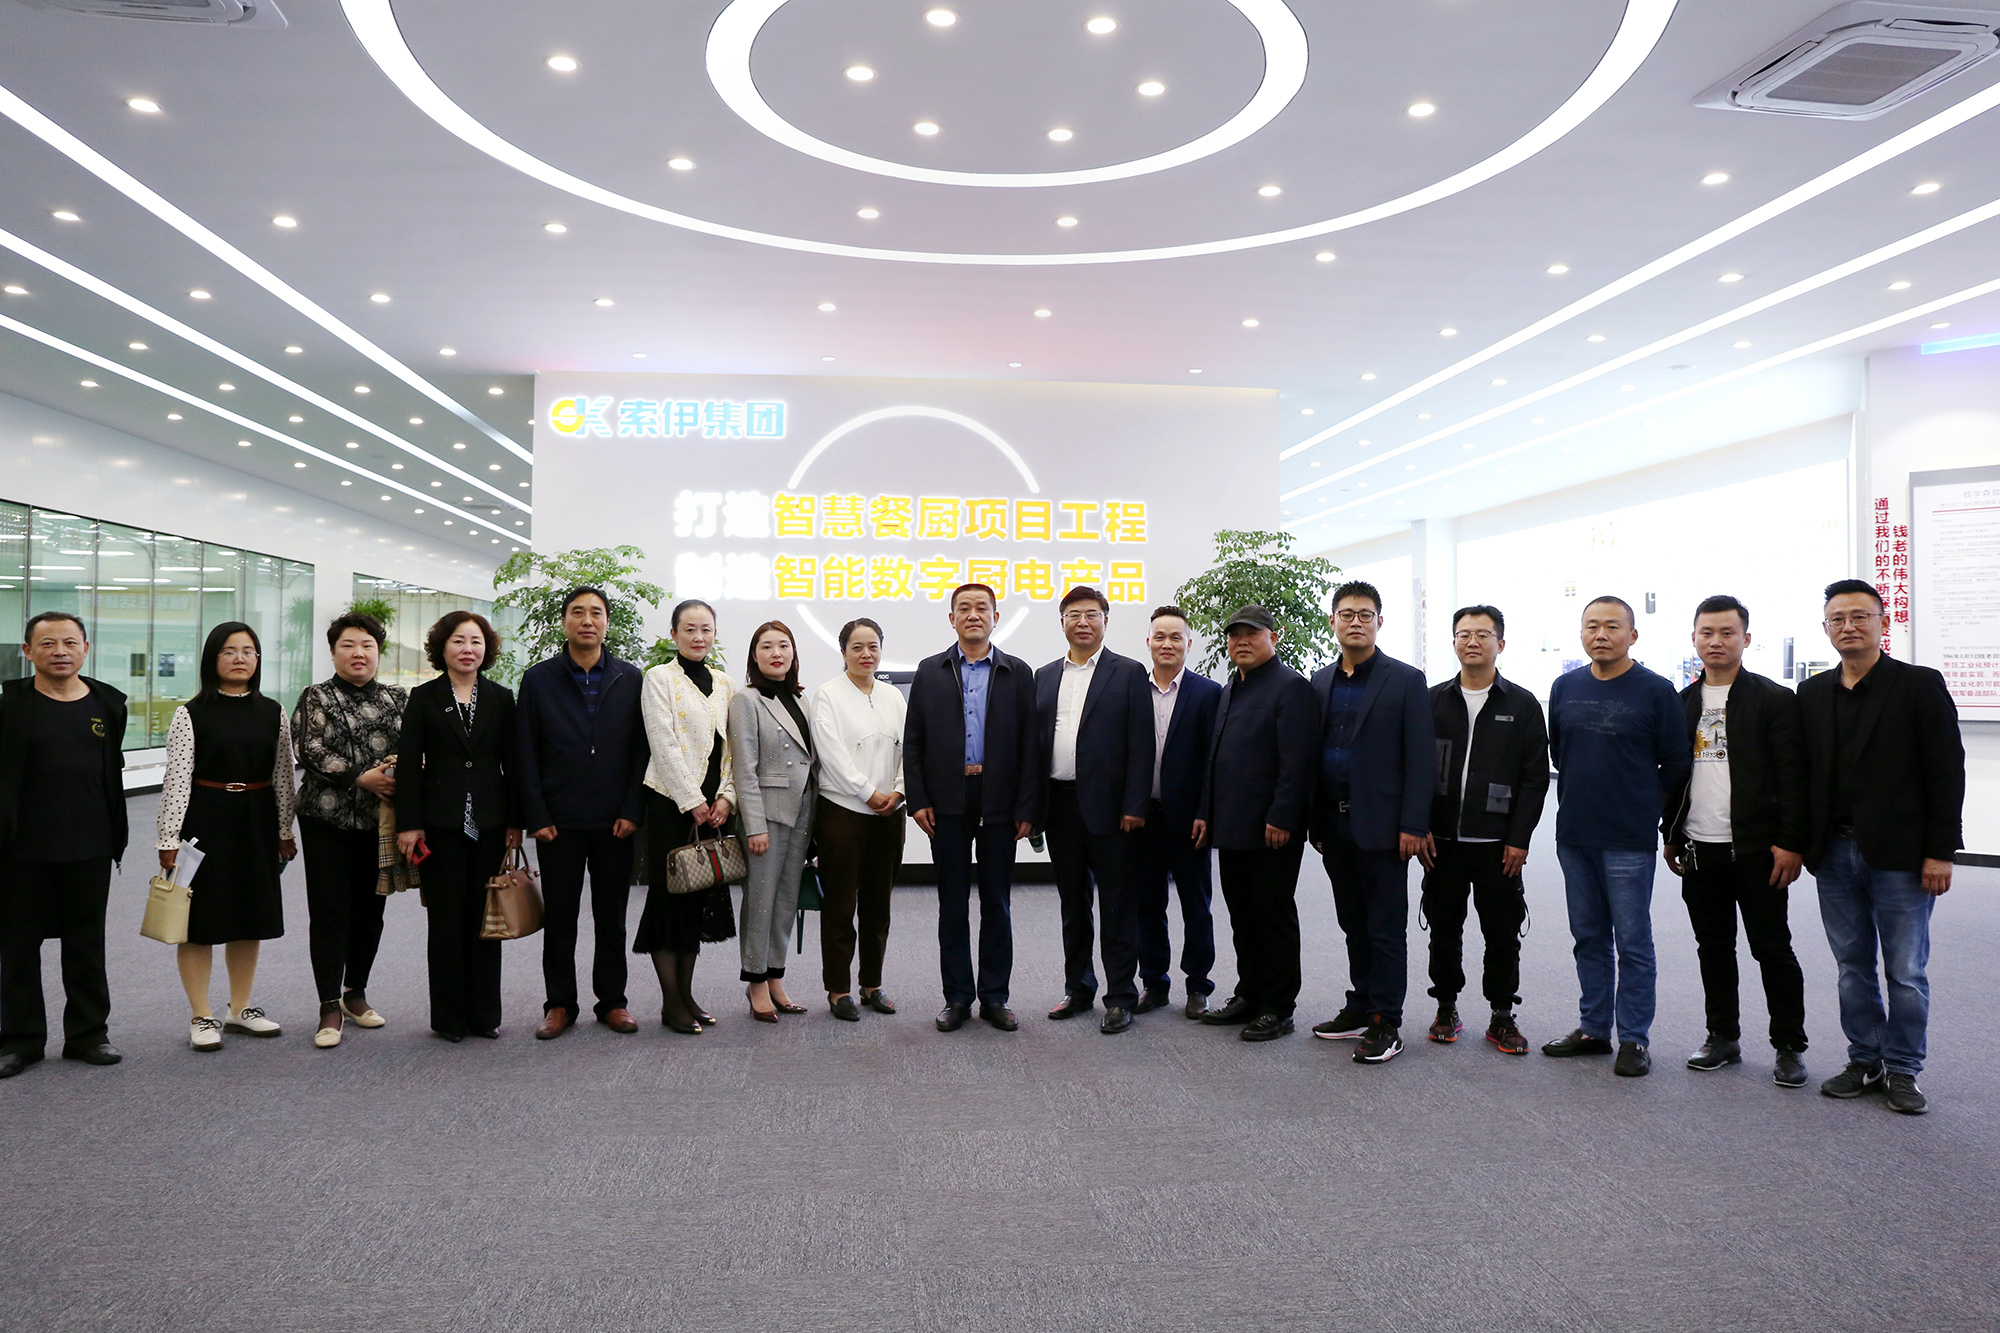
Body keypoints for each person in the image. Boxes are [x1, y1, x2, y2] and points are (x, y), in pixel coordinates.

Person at [1799, 579, 1963, 1115]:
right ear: (1826, 628)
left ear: (1882, 622)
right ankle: (1864, 1058)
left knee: (1905, 970)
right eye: (1838, 619)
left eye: (1860, 616)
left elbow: (1946, 772)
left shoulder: (1918, 685)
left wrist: (1941, 851)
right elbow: (1804, 776)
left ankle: (1904, 1068)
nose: (1848, 626)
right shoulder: (1812, 693)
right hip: (1834, 852)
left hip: (1902, 855)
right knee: (1852, 966)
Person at [1662, 595, 1811, 1088]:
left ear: (1746, 639)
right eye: (1707, 633)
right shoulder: (1682, 703)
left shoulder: (1773, 700)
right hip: (1698, 848)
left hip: (1758, 850)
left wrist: (1791, 842)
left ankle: (1789, 1045)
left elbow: (1794, 778)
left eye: (1727, 633)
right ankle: (1722, 1036)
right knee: (1713, 947)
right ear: (1694, 639)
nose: (1716, 641)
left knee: (1772, 948)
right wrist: (1671, 834)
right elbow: (1673, 777)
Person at [1541, 596, 1688, 1078]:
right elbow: (1560, 754)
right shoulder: (1564, 687)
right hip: (1574, 833)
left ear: (1632, 635)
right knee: (1588, 936)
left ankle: (1634, 1038)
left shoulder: (1656, 690)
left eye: (1611, 626)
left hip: (1628, 837)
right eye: (1591, 626)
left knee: (1632, 941)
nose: (1600, 635)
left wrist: (1644, 807)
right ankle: (1593, 1029)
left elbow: (1676, 764)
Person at [1307, 581, 1435, 1065]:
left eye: (1365, 614)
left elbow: (1420, 760)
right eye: (1347, 614)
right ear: (1333, 621)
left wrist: (1413, 825)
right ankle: (1360, 1003)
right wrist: (1314, 822)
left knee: (1384, 928)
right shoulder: (1320, 681)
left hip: (1384, 827)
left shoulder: (1405, 680)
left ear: (1380, 622)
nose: (1355, 622)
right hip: (1333, 825)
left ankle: (1387, 1020)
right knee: (1352, 923)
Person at [158, 622, 298, 1052]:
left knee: (248, 916)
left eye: (249, 651)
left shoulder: (272, 711)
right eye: (229, 651)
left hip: (257, 818)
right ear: (212, 659)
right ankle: (201, 1015)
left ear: (258, 659)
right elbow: (177, 779)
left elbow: (284, 775)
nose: (240, 659)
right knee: (198, 923)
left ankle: (240, 1008)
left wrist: (284, 829)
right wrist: (168, 837)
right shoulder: (191, 712)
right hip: (205, 819)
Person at [0, 612, 130, 1077]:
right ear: (27, 651)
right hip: (21, 848)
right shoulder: (10, 704)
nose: (60, 651)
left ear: (85, 649)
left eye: (70, 643)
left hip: (90, 843)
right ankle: (20, 1040)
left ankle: (88, 1035)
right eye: (48, 643)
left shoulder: (108, 703)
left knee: (86, 944)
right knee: (17, 946)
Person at [1414, 605, 1548, 1057]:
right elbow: (1415, 769)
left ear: (1500, 644)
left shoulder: (1522, 704)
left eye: (1483, 634)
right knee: (1443, 929)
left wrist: (1519, 839)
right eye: (1464, 634)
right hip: (1441, 842)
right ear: (1454, 642)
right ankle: (1445, 1007)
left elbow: (1534, 778)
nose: (1472, 641)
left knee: (1502, 933)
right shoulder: (1431, 700)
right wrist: (1420, 825)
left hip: (1498, 845)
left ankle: (1502, 1015)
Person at [904, 583, 1038, 1034]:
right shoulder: (930, 671)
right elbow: (914, 741)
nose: (973, 615)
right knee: (952, 903)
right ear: (952, 619)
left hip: (999, 799)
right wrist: (919, 800)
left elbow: (1030, 745)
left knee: (997, 902)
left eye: (982, 608)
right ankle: (957, 998)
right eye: (964, 608)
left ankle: (995, 997)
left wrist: (1027, 805)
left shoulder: (1017, 672)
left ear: (996, 618)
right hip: (947, 801)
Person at [515, 587, 646, 1041]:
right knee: (561, 919)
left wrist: (632, 809)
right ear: (565, 622)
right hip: (559, 821)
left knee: (612, 918)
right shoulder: (539, 679)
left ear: (607, 622)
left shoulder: (630, 678)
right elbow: (525, 752)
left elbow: (641, 752)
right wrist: (536, 814)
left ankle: (613, 1002)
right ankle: (559, 1004)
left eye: (596, 613)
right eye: (578, 613)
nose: (587, 621)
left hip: (615, 821)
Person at [1193, 605, 1320, 1043]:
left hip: (1271, 830)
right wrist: (1205, 812)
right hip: (1231, 826)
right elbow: (1214, 759)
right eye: (1235, 635)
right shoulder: (1232, 686)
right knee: (1243, 917)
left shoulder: (1291, 687)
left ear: (1273, 637)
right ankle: (1249, 994)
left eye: (1252, 633)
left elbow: (1297, 763)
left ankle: (1279, 1007)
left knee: (1272, 917)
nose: (1242, 641)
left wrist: (1282, 816)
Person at [394, 611, 521, 1042]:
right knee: (446, 922)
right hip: (440, 824)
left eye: (476, 642)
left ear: (487, 649)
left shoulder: (501, 698)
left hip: (491, 823)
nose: (468, 649)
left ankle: (484, 1015)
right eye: (459, 641)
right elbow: (408, 765)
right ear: (442, 648)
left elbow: (514, 764)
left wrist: (516, 822)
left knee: (487, 919)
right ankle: (449, 1018)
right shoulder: (424, 697)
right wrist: (409, 824)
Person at [1035, 586, 1153, 1035]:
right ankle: (1079, 988)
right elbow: (1037, 745)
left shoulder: (1128, 672)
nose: (1082, 622)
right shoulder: (1045, 675)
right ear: (1061, 622)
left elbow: (1142, 745)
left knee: (1118, 905)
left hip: (1112, 809)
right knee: (1073, 903)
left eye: (1091, 614)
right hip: (1060, 805)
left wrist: (1135, 804)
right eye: (1073, 615)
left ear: (1106, 620)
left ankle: (1120, 996)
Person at [292, 610, 406, 1049]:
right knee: (329, 913)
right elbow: (308, 747)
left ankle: (355, 992)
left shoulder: (398, 698)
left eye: (367, 646)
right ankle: (328, 1005)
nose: (359, 654)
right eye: (348, 646)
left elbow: (417, 747)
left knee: (370, 912)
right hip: (327, 822)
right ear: (333, 651)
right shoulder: (316, 696)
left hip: (380, 823)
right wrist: (361, 776)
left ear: (378, 652)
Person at [636, 599, 738, 1034]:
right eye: (690, 629)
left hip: (714, 811)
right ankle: (671, 1002)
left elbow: (734, 749)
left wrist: (726, 798)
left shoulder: (725, 682)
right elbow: (662, 743)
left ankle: (687, 995)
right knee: (669, 902)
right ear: (674, 634)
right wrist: (692, 800)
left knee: (696, 902)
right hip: (670, 807)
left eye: (706, 629)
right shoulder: (659, 678)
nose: (699, 637)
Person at [810, 617, 905, 1021]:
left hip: (890, 813)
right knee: (840, 904)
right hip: (843, 812)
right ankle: (839, 989)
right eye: (857, 647)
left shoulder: (893, 696)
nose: (866, 654)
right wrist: (867, 792)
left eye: (873, 646)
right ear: (843, 651)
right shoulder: (828, 695)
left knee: (878, 904)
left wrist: (899, 790)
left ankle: (872, 985)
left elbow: (910, 749)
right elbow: (831, 754)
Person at [1134, 605, 1221, 1019]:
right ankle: (1154, 983)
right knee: (1147, 905)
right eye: (1159, 637)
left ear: (1188, 643)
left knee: (1196, 906)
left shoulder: (1208, 693)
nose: (1166, 644)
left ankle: (1198, 986)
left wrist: (1206, 810)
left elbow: (1212, 761)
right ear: (1148, 642)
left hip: (1190, 821)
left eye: (1175, 637)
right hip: (1143, 817)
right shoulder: (1132, 689)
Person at [730, 620, 818, 1022]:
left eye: (783, 645)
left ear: (793, 653)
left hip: (802, 811)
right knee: (760, 900)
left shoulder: (800, 698)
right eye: (766, 646)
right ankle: (755, 981)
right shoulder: (746, 700)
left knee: (786, 900)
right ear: (754, 655)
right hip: (766, 813)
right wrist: (755, 825)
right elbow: (744, 770)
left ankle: (776, 976)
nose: (776, 653)